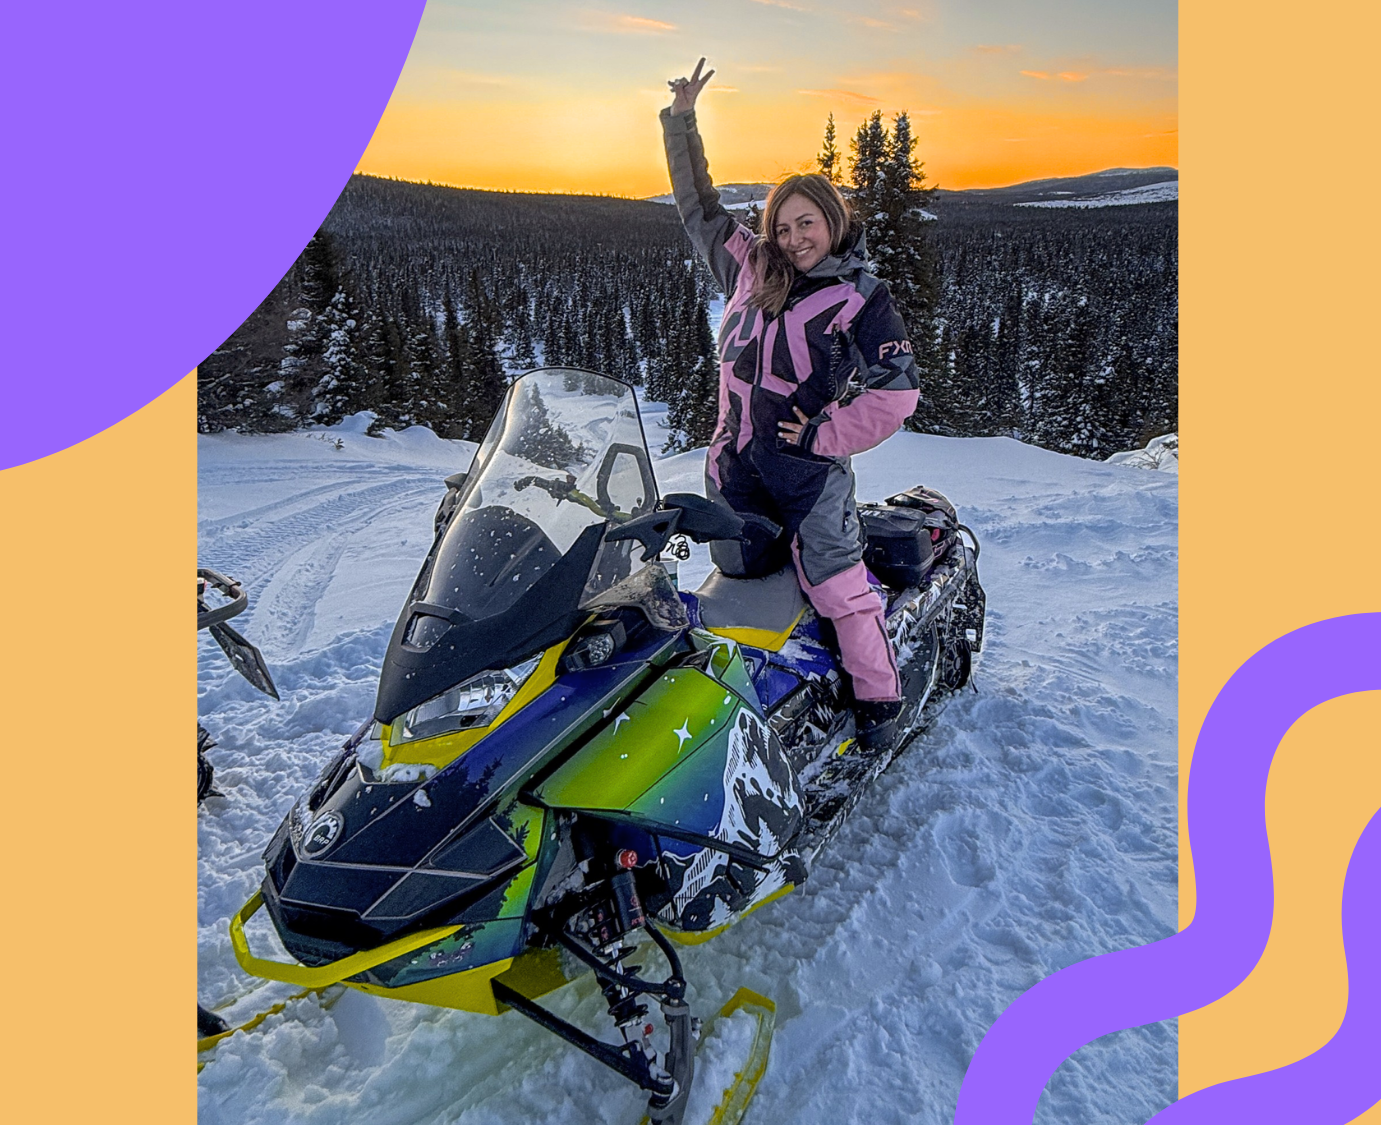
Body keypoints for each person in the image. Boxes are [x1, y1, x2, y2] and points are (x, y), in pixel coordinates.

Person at [661, 59, 921, 751]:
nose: (794, 238)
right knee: (732, 588)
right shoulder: (749, 269)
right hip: (735, 470)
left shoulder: (862, 295)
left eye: (807, 223)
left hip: (806, 478)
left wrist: (825, 434)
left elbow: (898, 392)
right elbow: (699, 209)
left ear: (833, 222)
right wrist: (681, 121)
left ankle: (879, 702)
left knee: (839, 593)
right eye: (782, 226)